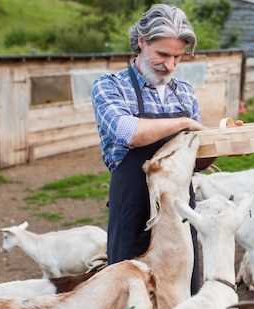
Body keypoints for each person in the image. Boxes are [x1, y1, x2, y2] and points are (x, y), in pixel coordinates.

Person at [92, 4, 217, 294]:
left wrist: (225, 143)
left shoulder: (184, 92)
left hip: (180, 209)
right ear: (141, 42)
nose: (170, 65)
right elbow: (130, 133)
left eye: (178, 57)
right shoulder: (109, 87)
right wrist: (184, 122)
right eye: (162, 54)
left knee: (185, 289)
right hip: (133, 207)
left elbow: (198, 161)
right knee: (129, 294)